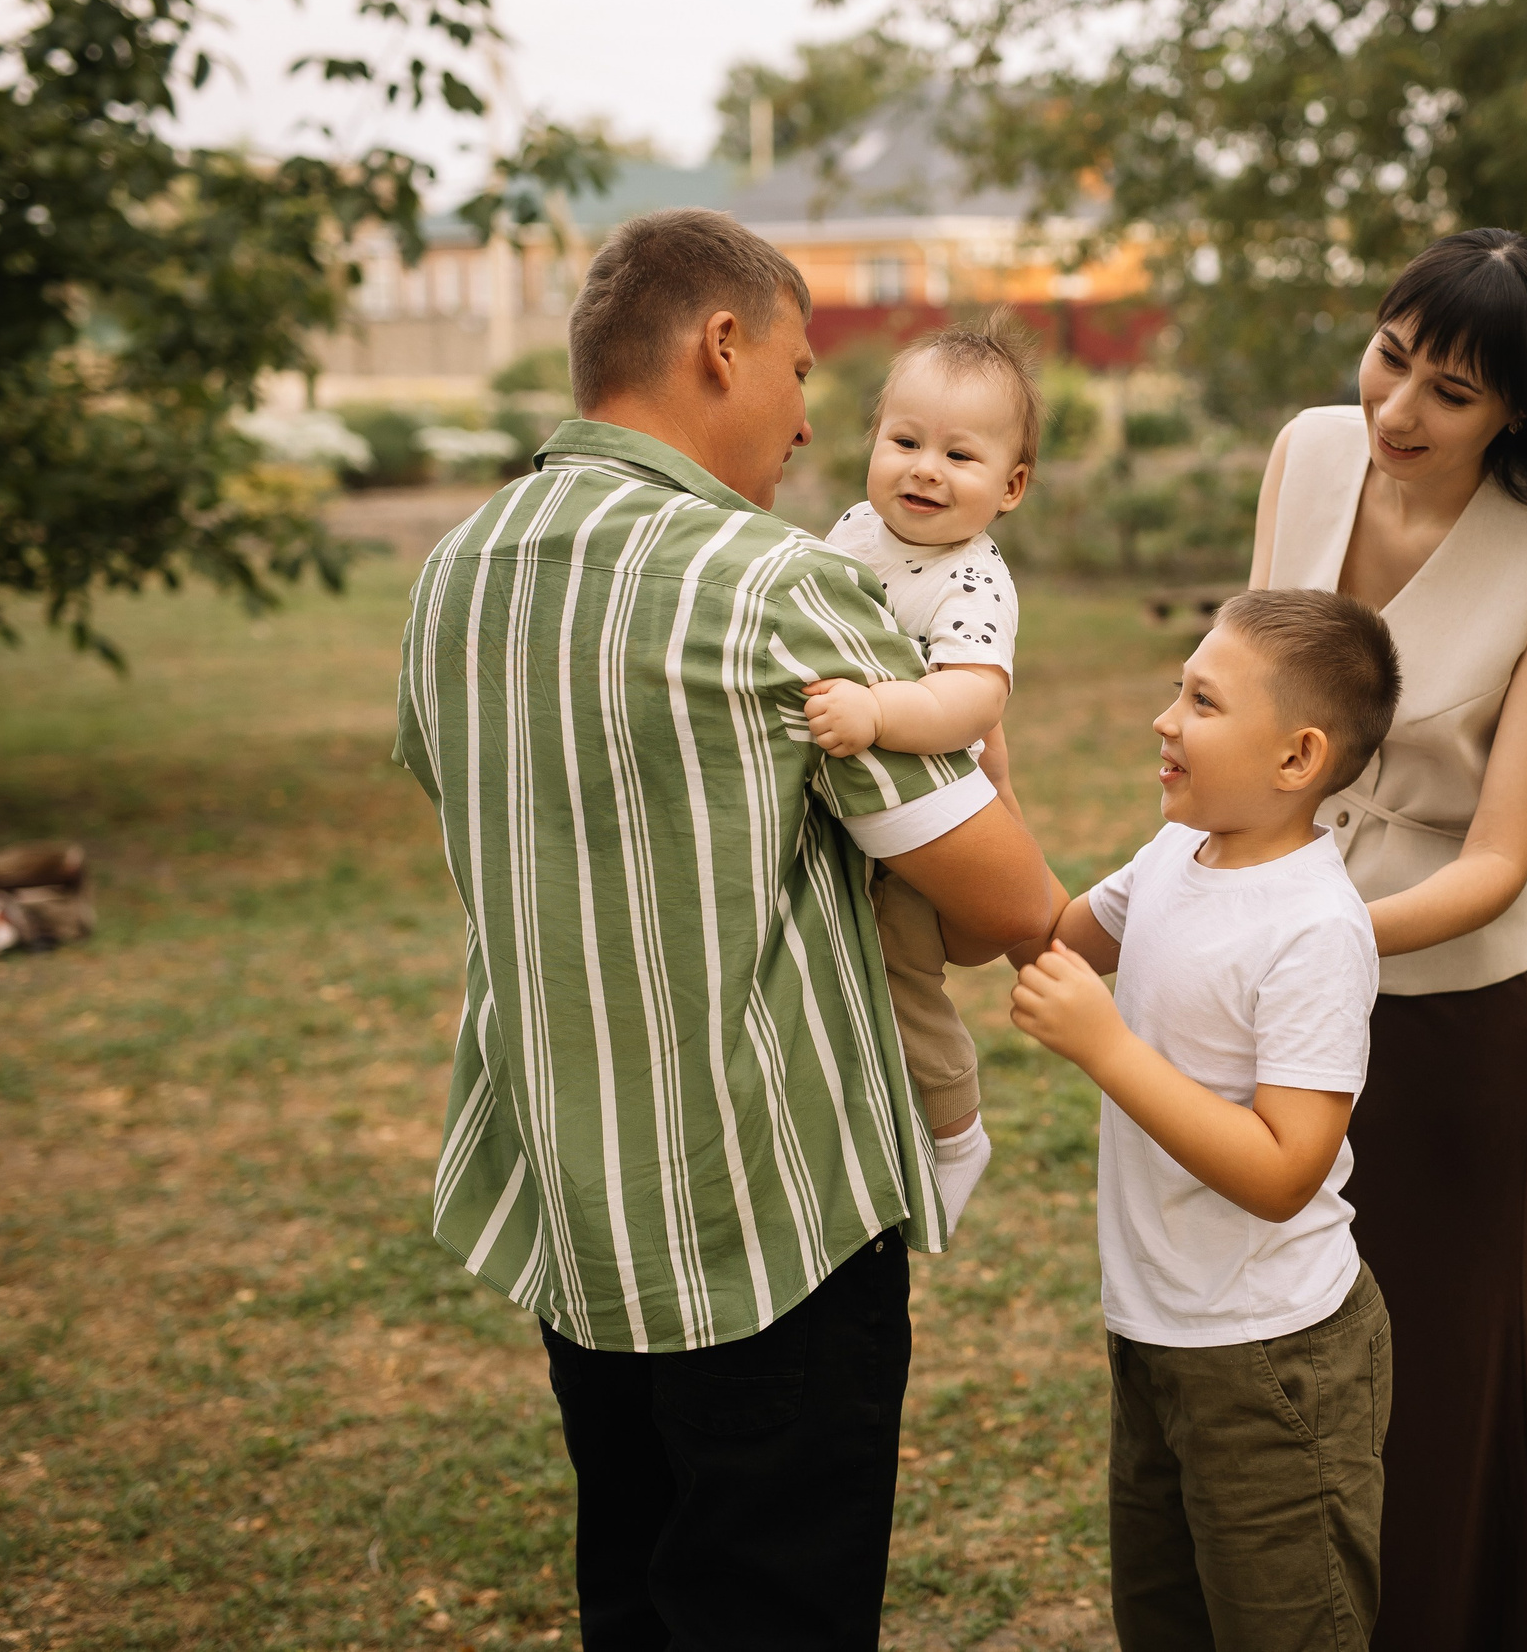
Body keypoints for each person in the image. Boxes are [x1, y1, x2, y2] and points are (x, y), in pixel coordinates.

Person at [390, 207, 1059, 1651]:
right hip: (770, 1212)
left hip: (575, 1198)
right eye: (806, 373)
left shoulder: (453, 578)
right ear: (722, 344)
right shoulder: (771, 583)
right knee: (771, 1605)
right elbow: (999, 898)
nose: (814, 424)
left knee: (633, 1584)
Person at [1247, 229, 1527, 1652]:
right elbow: (1258, 703)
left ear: (1520, 414)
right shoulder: (1308, 453)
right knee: (1286, 1362)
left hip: (1448, 1015)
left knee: (1438, 1379)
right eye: (1391, 355)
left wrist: (1311, 933)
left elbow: (1497, 859)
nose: (1398, 409)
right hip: (1291, 958)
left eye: (1452, 389)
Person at [1010, 588, 1402, 1652]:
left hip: (1274, 1363)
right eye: (1177, 689)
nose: (1164, 719)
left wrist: (1106, 1049)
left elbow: (1284, 1173)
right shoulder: (1173, 858)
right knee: (1166, 1623)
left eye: (1201, 700)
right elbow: (1050, 933)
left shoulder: (1313, 929)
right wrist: (983, 780)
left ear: (1295, 758)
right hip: (1155, 1335)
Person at [803, 310, 1041, 1235]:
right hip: (850, 811)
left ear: (1011, 485)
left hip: (929, 830)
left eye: (960, 455)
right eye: (904, 440)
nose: (923, 469)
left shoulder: (974, 580)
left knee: (904, 975)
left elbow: (972, 702)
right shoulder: (857, 528)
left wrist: (875, 713)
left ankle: (954, 1127)